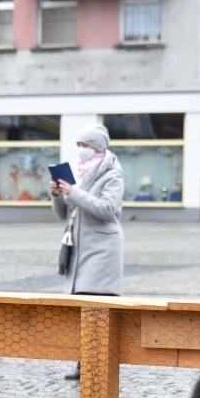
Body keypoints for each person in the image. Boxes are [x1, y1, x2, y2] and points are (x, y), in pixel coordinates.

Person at [50, 123, 125, 381]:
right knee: (82, 307)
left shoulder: (112, 174)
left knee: (96, 305)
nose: (81, 150)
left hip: (102, 251)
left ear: (97, 148)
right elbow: (64, 214)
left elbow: (107, 209)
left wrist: (75, 192)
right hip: (79, 250)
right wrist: (57, 195)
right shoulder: (81, 175)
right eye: (78, 145)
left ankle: (98, 364)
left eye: (85, 145)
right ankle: (85, 364)